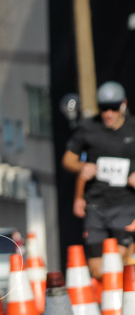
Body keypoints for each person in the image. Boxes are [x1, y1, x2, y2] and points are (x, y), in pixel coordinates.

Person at [63, 81, 135, 278]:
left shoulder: (132, 128)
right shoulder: (89, 128)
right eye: (104, 108)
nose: (108, 114)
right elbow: (68, 160)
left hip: (125, 204)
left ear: (123, 105)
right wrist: (82, 167)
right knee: (98, 270)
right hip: (96, 205)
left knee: (117, 262)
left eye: (113, 108)